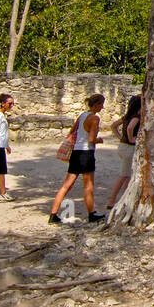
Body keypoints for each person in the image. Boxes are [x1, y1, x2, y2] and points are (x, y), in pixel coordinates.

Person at [50, 93, 106, 224]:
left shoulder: (82, 116)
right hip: (86, 153)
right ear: (96, 105)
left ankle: (53, 213)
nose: (102, 107)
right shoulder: (94, 118)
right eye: (101, 104)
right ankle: (91, 213)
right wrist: (99, 140)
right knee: (88, 185)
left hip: (76, 152)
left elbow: (72, 131)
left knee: (66, 185)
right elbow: (91, 139)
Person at [105, 95, 142, 213]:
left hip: (122, 146)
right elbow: (130, 127)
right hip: (129, 148)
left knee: (127, 175)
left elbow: (113, 126)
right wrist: (131, 138)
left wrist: (121, 137)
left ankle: (125, 198)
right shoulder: (136, 117)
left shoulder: (127, 116)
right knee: (124, 175)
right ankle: (111, 201)